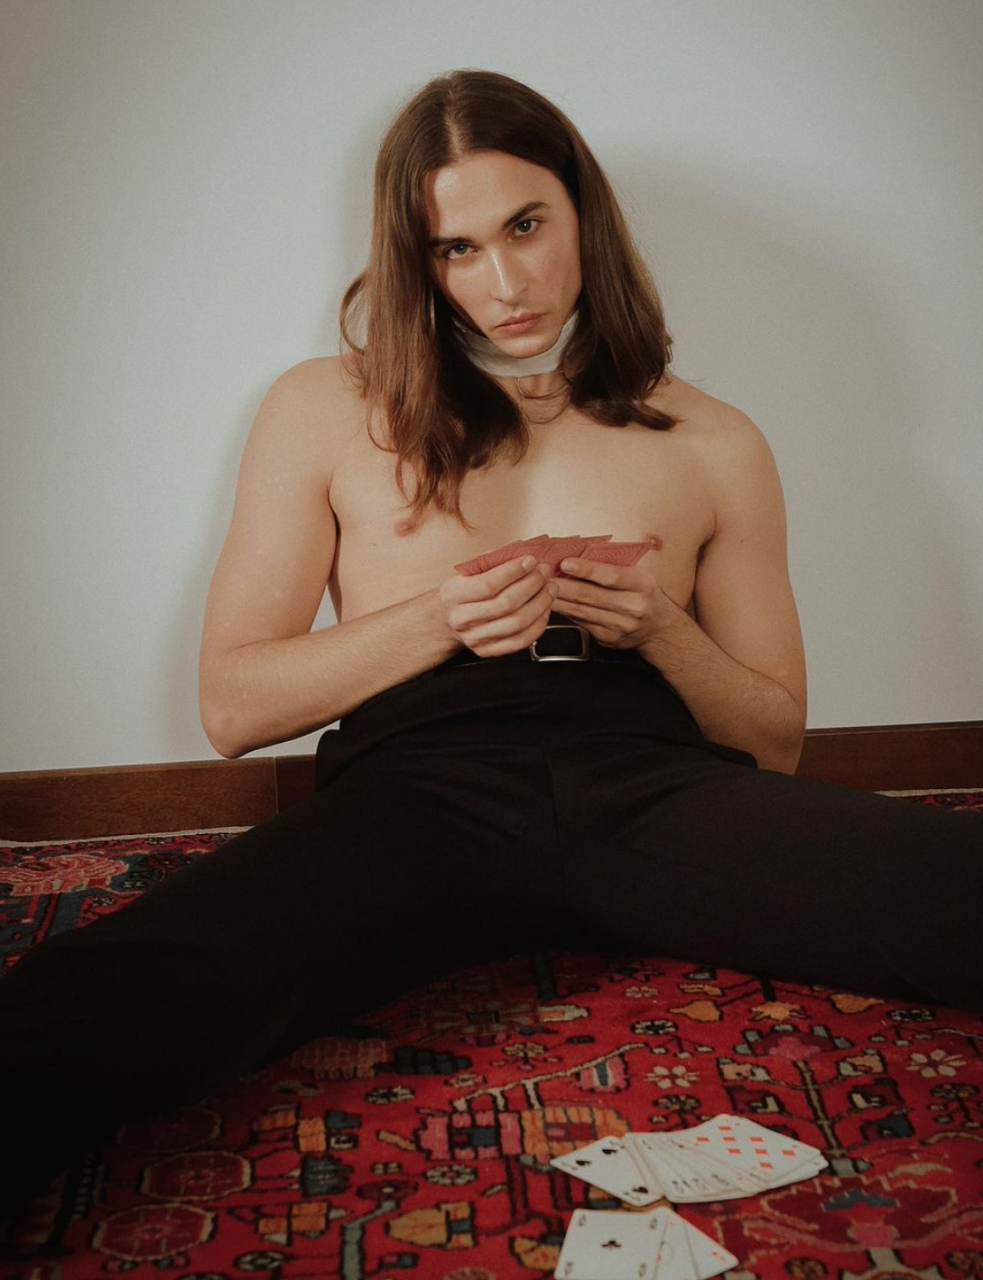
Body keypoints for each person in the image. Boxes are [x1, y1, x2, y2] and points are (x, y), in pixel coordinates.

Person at [1, 68, 980, 1223]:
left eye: (524, 226)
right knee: (105, 997)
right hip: (422, 794)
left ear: (582, 216)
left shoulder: (714, 439)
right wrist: (438, 618)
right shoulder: (324, 406)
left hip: (650, 787)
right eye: (455, 248)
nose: (503, 282)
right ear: (414, 262)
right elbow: (233, 707)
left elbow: (771, 741)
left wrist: (661, 628)